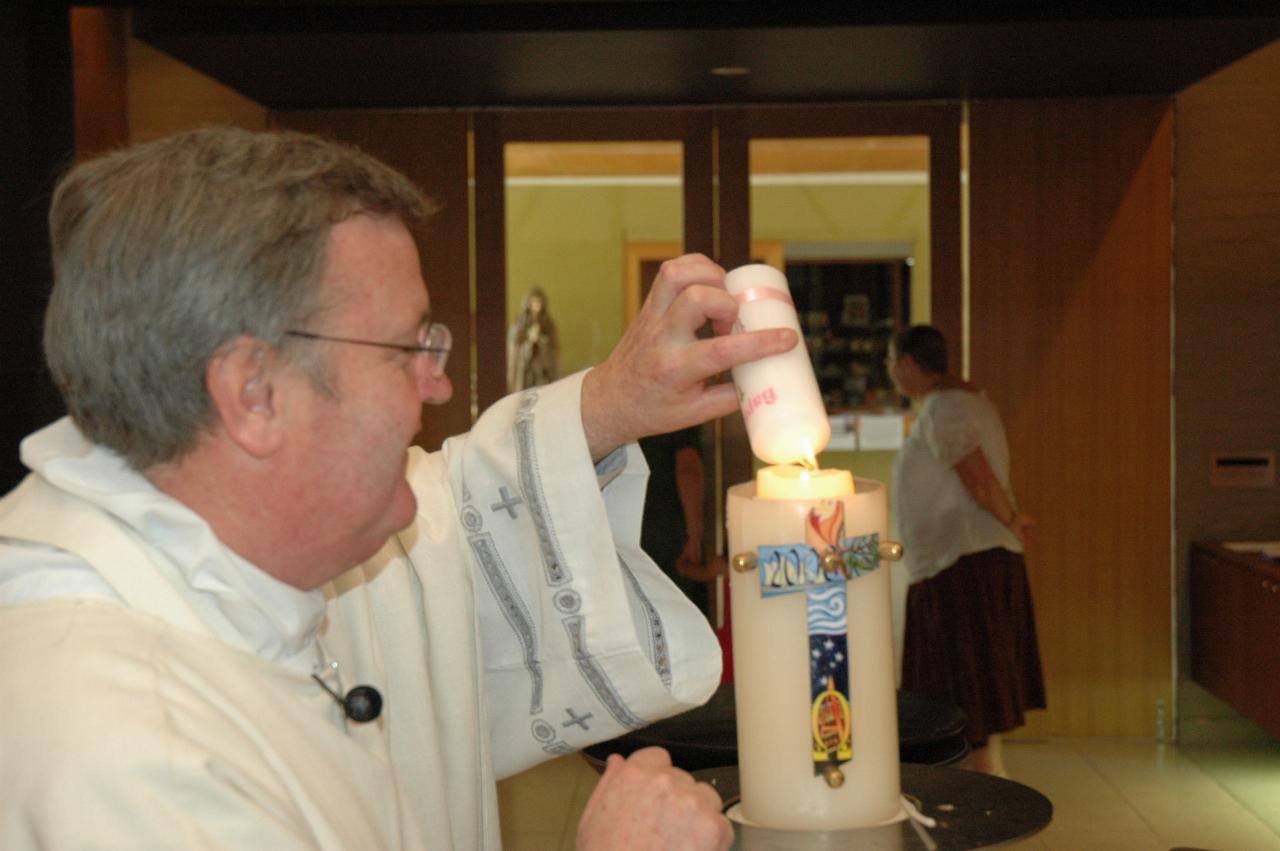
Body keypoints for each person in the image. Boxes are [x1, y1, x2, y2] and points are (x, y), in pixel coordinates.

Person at [0, 126, 798, 849]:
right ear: (253, 392)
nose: (438, 383)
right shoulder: (127, 747)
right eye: (407, 347)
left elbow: (455, 525)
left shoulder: (230, 548)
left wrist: (611, 403)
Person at [888, 324, 1045, 776]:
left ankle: (978, 792)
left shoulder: (946, 408)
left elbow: (976, 476)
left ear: (908, 365)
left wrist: (1011, 518)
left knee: (965, 701)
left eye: (892, 366)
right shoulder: (968, 400)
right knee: (971, 703)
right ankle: (980, 785)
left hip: (962, 564)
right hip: (964, 562)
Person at [637, 427, 725, 618]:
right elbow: (688, 469)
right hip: (670, 533)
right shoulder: (675, 414)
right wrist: (694, 536)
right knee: (680, 617)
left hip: (629, 532)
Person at [506, 286, 560, 391]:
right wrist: (528, 343)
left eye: (538, 302)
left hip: (543, 368)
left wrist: (541, 340)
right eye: (533, 302)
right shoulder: (520, 323)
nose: (536, 305)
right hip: (525, 368)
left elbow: (553, 345)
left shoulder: (548, 324)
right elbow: (515, 342)